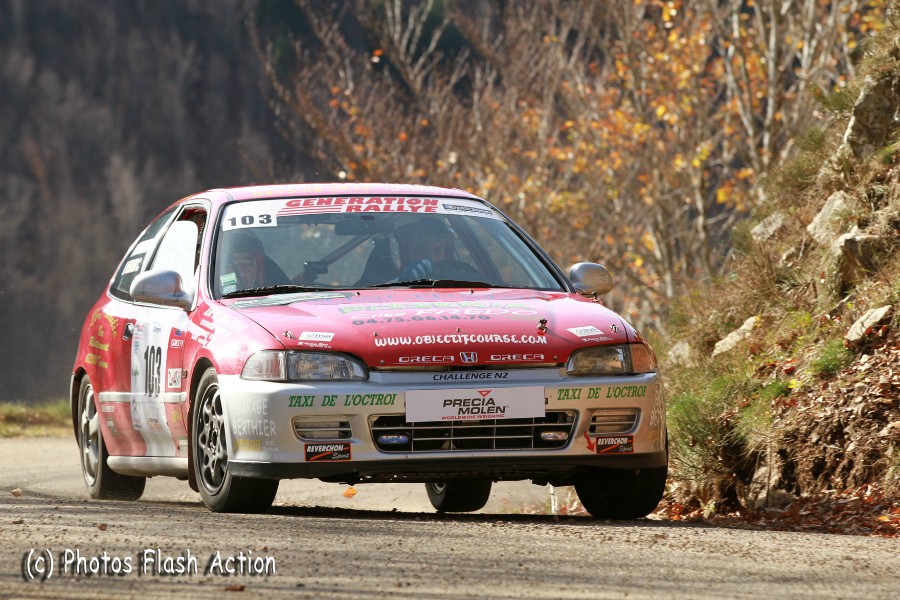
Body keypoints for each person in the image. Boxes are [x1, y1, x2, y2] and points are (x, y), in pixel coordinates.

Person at [393, 218, 468, 282]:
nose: (431, 258)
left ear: (446, 253)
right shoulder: (385, 287)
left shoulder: (461, 280)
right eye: (421, 250)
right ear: (406, 253)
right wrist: (401, 281)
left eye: (438, 250)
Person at [219, 231, 289, 294]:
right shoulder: (212, 291)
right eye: (233, 266)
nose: (242, 274)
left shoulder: (277, 289)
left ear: (259, 267)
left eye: (248, 265)